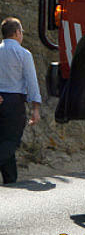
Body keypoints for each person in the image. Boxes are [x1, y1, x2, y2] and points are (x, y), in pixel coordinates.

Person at [0, 18, 41, 184]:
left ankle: (11, 180)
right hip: (14, 102)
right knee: (11, 141)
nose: (22, 35)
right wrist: (36, 108)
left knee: (3, 140)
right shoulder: (23, 53)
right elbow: (32, 82)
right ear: (17, 33)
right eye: (21, 31)